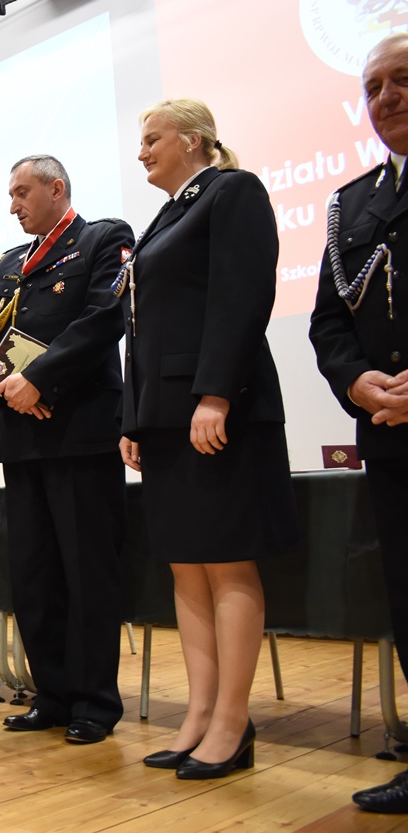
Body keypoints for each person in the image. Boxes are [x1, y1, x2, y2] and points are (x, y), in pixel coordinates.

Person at [117, 99, 298, 778]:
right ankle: (199, 713)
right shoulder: (166, 216)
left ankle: (232, 720)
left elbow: (242, 297)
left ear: (194, 141)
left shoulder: (232, 191)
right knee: (186, 565)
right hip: (166, 416)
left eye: (152, 139)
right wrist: (133, 419)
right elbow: (141, 327)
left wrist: (215, 393)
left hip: (219, 409)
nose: (142, 152)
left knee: (226, 562)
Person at [0, 155, 133, 743]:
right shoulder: (10, 263)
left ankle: (93, 703)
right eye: (10, 195)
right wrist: (14, 387)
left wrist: (40, 379)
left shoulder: (101, 239)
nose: (13, 205)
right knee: (34, 576)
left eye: (22, 192)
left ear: (56, 188)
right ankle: (53, 695)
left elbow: (103, 318)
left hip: (81, 432)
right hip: (24, 433)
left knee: (87, 573)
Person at [310, 33, 408, 814]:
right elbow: (328, 323)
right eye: (373, 86)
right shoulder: (352, 201)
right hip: (390, 432)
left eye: (402, 80)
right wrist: (354, 380)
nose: (386, 97)